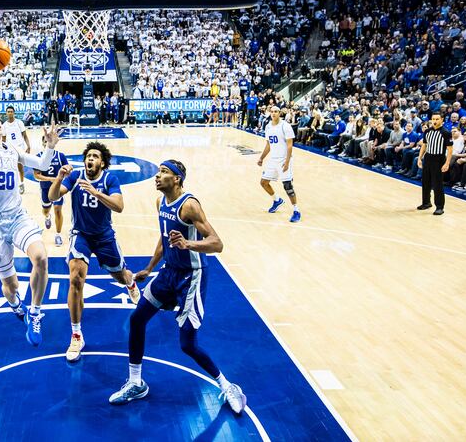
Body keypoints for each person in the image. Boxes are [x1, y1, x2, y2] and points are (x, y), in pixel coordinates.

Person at [108, 160, 246, 414]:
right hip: (168, 273)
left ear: (178, 179)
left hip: (191, 277)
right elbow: (164, 238)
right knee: (137, 319)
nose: (157, 176)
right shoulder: (160, 203)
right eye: (158, 172)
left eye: (164, 173)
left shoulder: (190, 205)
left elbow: (217, 244)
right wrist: (150, 268)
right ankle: (136, 383)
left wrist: (189, 245)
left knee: (187, 345)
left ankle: (228, 386)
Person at [0, 48, 59, 346]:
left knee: (42, 259)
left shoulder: (11, 150)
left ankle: (35, 312)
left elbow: (43, 165)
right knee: (9, 285)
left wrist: (49, 145)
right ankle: (15, 303)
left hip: (17, 217)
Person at [48, 141, 140, 362]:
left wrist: (96, 193)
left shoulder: (110, 179)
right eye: (88, 155)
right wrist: (59, 177)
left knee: (120, 275)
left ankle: (130, 283)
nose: (90, 159)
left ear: (102, 162)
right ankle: (77, 334)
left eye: (95, 156)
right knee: (76, 279)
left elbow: (119, 206)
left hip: (104, 237)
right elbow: (52, 196)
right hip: (81, 235)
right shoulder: (75, 176)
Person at [258, 105, 300, 222]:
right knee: (264, 182)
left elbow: (290, 145)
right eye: (271, 112)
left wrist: (287, 162)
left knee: (288, 187)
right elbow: (268, 145)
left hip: (283, 160)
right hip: (273, 159)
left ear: (279, 113)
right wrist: (261, 158)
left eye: (276, 111)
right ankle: (277, 200)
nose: (273, 113)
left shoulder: (285, 126)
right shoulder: (268, 127)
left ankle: (296, 210)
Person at [33, 136, 68, 247]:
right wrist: (50, 179)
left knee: (58, 210)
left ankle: (58, 235)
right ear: (43, 143)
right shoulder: (38, 157)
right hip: (45, 188)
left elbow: (68, 170)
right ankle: (47, 217)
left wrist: (66, 173)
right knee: (46, 210)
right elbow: (36, 175)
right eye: (45, 141)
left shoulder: (60, 156)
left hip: (57, 188)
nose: (47, 143)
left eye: (49, 141)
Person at [417, 112, 453, 215]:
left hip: (439, 159)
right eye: (433, 119)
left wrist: (447, 163)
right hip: (428, 158)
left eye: (437, 119)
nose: (435, 121)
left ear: (442, 120)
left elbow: (450, 150)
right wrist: (420, 158)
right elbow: (424, 145)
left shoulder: (446, 132)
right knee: (425, 182)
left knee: (437, 184)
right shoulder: (427, 131)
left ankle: (440, 207)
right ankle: (426, 202)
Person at [1, 106, 31, 194]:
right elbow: (3, 140)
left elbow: (25, 135)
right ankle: (12, 185)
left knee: (20, 167)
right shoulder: (4, 125)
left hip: (20, 148)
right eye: (8, 111)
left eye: (11, 111)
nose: (10, 113)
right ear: (6, 113)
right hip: (10, 149)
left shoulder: (19, 123)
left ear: (14, 113)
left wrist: (28, 146)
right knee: (10, 167)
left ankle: (21, 184)